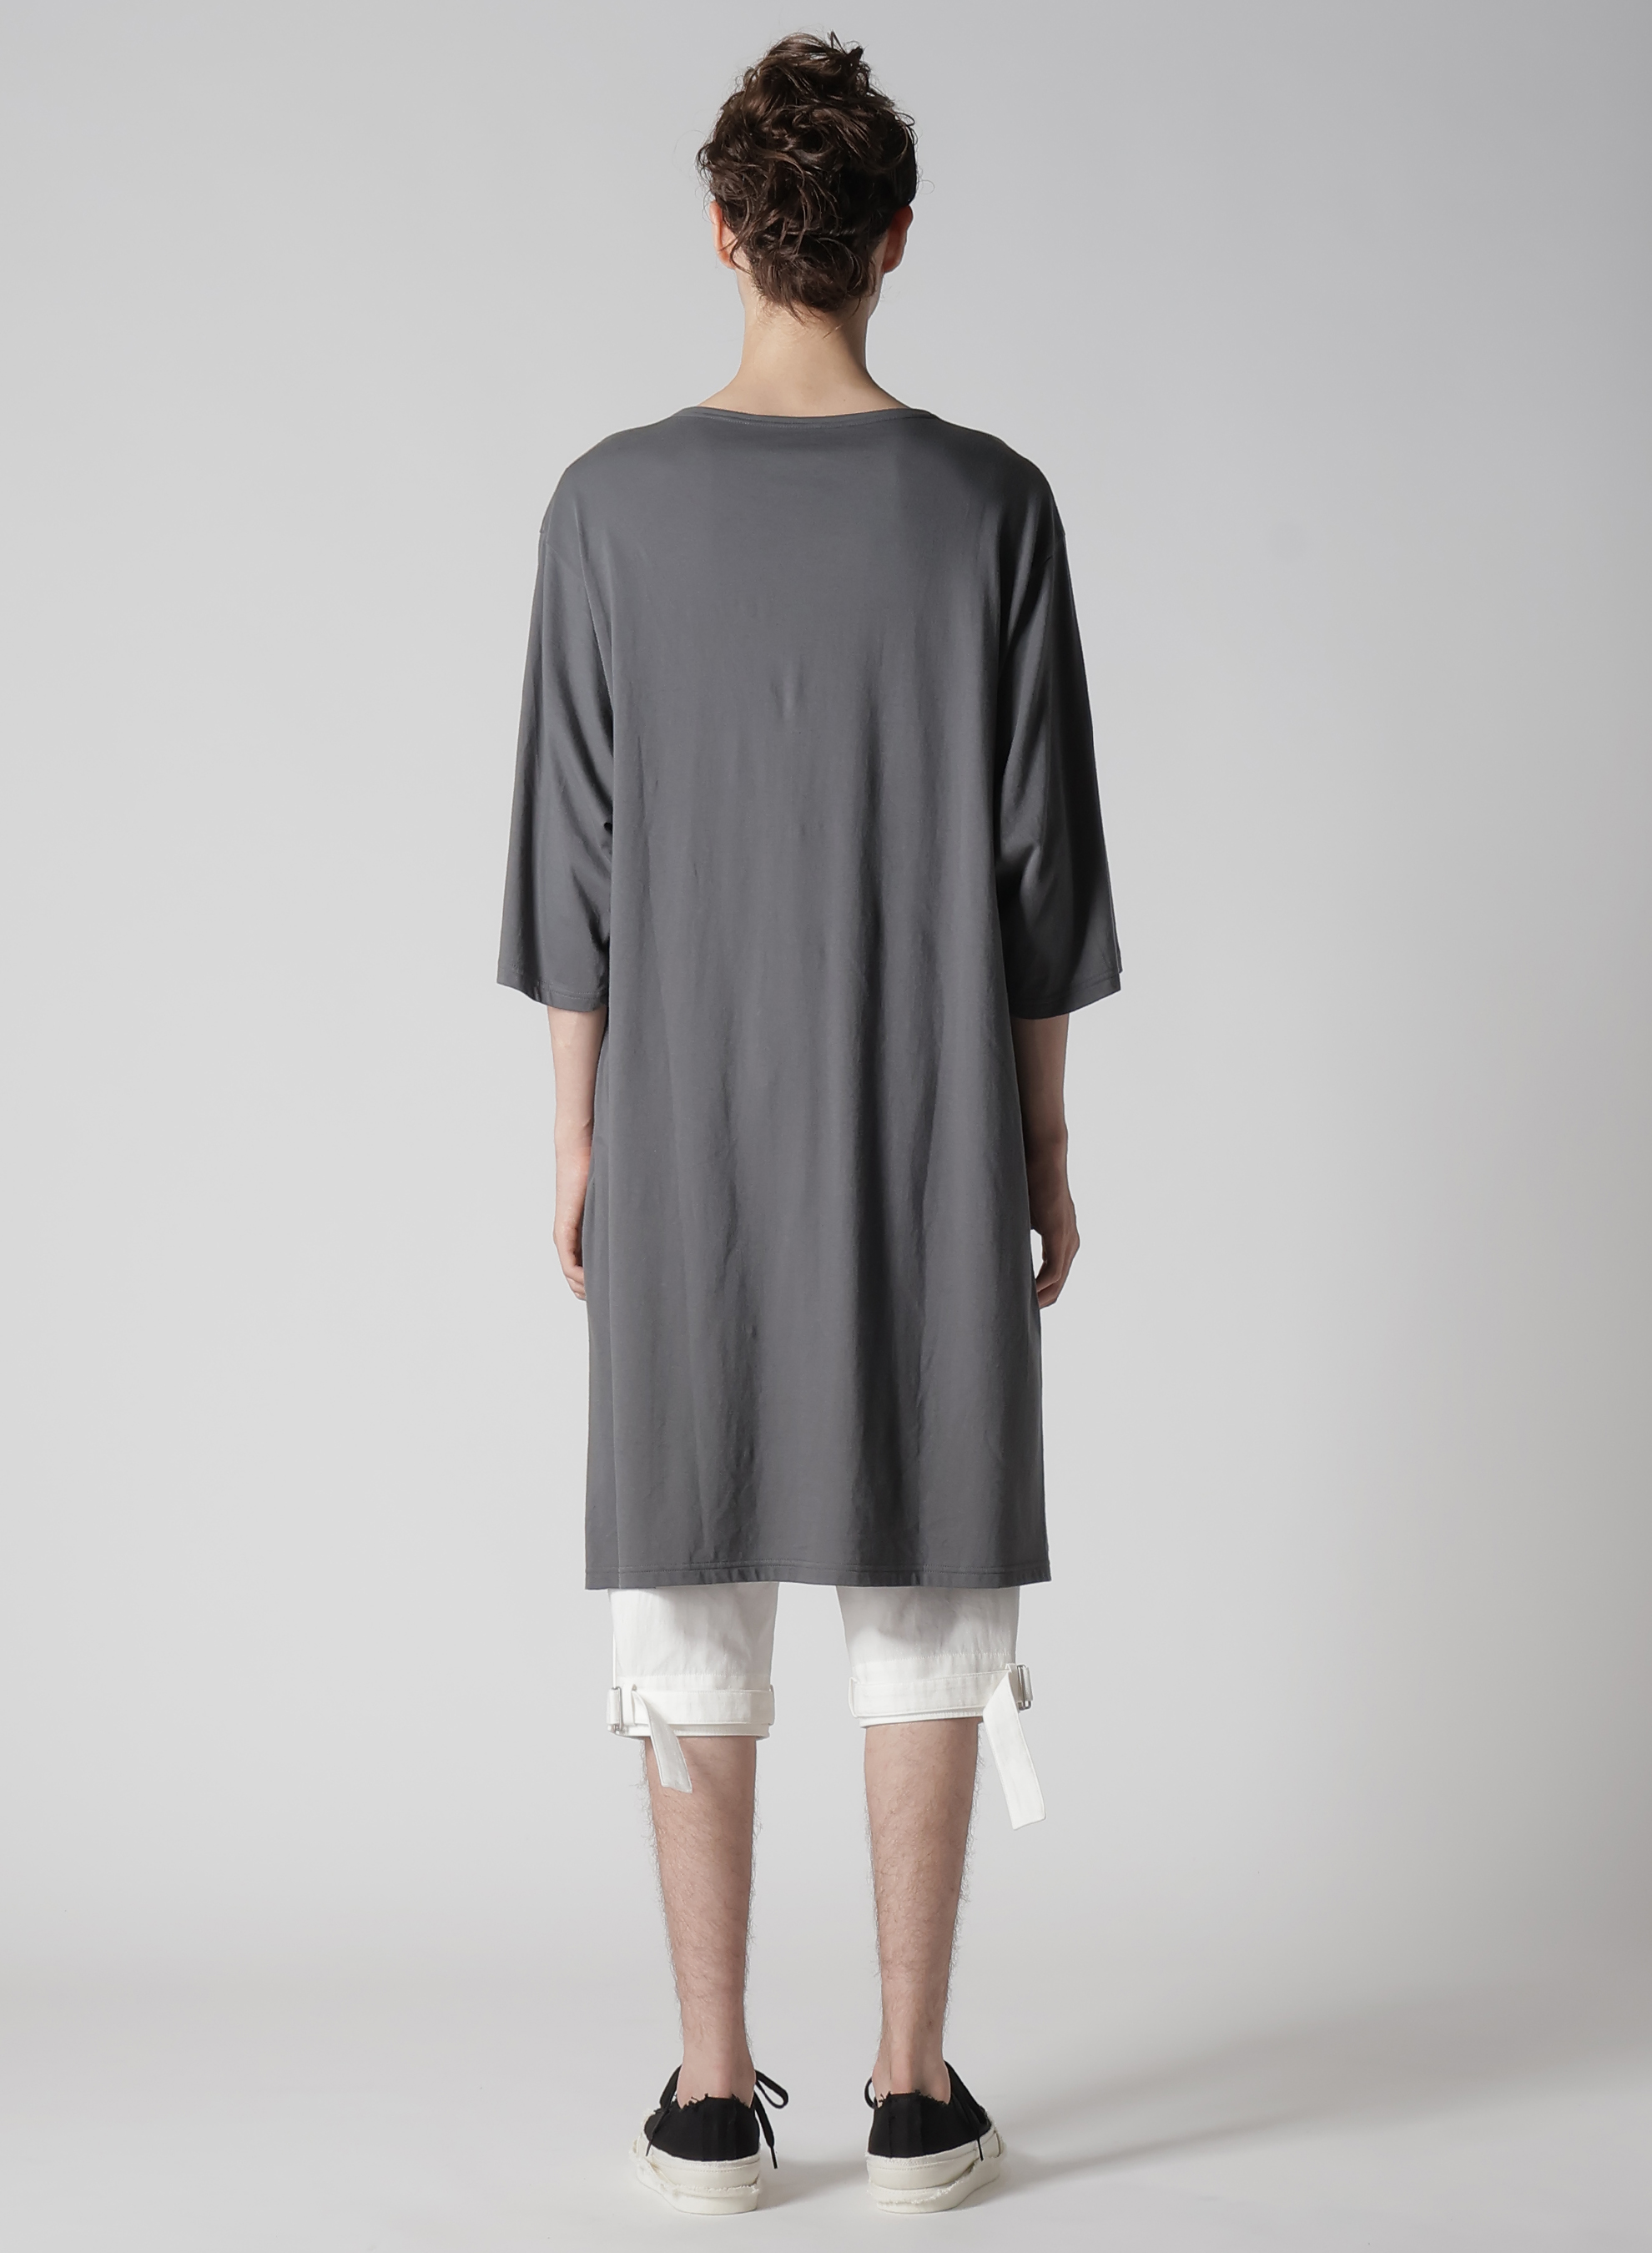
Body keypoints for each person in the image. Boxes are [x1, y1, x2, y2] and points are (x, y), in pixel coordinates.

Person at [498, 32, 1120, 2217]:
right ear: (894, 239)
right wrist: (1042, 1149)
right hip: (933, 1116)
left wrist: (578, 1140)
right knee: (928, 1575)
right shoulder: (990, 507)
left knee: (686, 1578)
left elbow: (572, 874)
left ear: (721, 231)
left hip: (683, 1122)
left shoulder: (605, 506)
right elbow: (1039, 882)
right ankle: (915, 2094)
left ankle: (706, 2100)